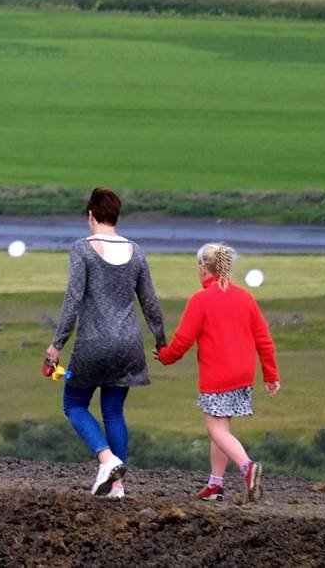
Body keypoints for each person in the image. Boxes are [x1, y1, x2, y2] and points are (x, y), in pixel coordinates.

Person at [46, 186, 167, 498]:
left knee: (73, 404)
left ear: (90, 215)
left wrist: (57, 344)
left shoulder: (82, 249)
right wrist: (161, 340)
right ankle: (118, 485)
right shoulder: (136, 251)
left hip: (92, 345)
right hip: (129, 346)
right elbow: (150, 302)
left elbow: (73, 300)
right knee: (113, 412)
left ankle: (106, 458)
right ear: (116, 216)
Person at [156, 242, 280, 503]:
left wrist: (166, 357)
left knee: (215, 430)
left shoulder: (200, 300)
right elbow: (264, 340)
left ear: (203, 269)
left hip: (218, 375)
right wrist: (270, 376)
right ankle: (215, 484)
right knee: (222, 426)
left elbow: (183, 340)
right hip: (243, 375)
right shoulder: (245, 297)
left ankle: (248, 468)